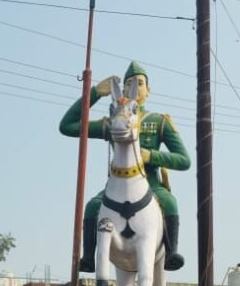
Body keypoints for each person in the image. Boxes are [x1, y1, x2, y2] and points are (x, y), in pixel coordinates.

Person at [61, 61, 190, 273]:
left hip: (150, 183)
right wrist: (94, 94)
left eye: (140, 83)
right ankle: (88, 257)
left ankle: (171, 252)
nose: (135, 87)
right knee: (92, 206)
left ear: (148, 91)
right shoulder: (114, 123)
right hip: (117, 184)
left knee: (169, 201)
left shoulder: (159, 121)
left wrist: (152, 156)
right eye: (130, 83)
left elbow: (184, 160)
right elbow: (68, 126)